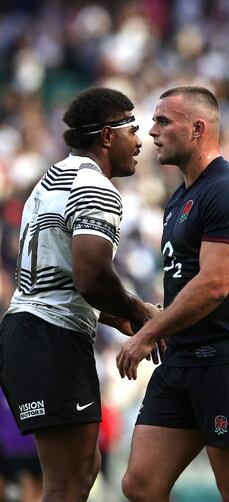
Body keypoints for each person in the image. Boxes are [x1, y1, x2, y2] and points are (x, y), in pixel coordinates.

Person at [116, 86, 229, 502]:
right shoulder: (179, 199)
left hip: (228, 360)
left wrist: (149, 332)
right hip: (181, 359)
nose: (151, 131)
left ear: (197, 128)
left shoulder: (228, 190)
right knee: (141, 485)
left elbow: (214, 285)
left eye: (163, 121)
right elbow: (188, 285)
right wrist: (158, 318)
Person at [0, 87, 156, 502]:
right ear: (107, 135)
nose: (140, 141)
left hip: (32, 331)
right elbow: (91, 275)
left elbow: (59, 278)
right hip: (50, 338)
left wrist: (111, 314)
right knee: (67, 482)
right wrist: (138, 309)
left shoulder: (51, 178)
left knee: (83, 470)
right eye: (133, 129)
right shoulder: (94, 184)